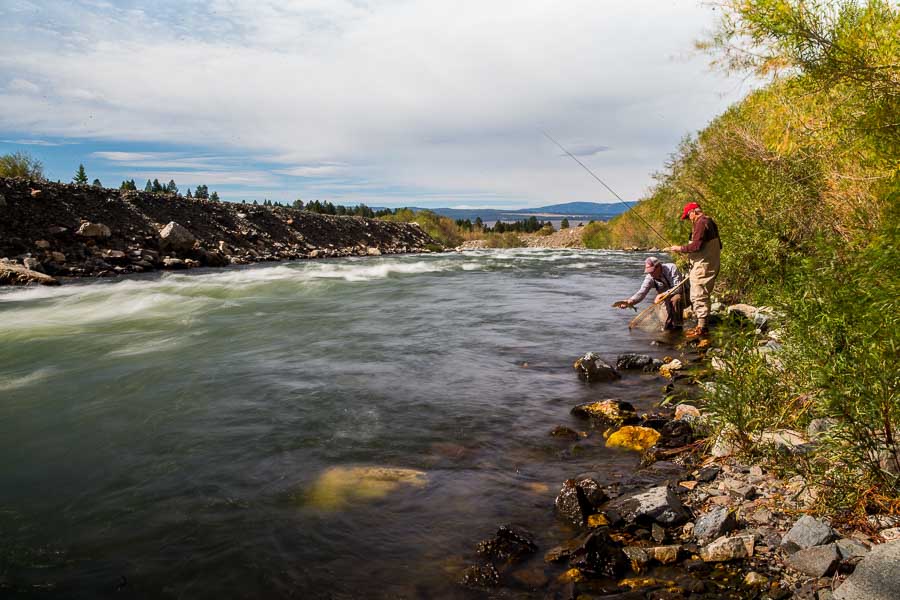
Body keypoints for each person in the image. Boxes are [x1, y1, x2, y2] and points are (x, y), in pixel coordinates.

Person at [663, 202, 721, 338]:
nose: (689, 219)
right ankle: (702, 326)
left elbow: (696, 246)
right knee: (702, 295)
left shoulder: (700, 223)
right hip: (710, 263)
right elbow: (718, 245)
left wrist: (680, 248)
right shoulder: (710, 221)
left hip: (703, 266)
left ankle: (702, 329)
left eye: (688, 216)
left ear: (693, 212)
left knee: (698, 296)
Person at [614, 257, 686, 330]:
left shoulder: (671, 268)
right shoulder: (650, 277)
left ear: (659, 266)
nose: (650, 274)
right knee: (667, 324)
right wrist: (630, 301)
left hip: (682, 294)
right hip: (663, 299)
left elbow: (678, 288)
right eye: (649, 271)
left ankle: (678, 326)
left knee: (676, 299)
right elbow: (642, 292)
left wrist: (662, 294)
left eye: (652, 271)